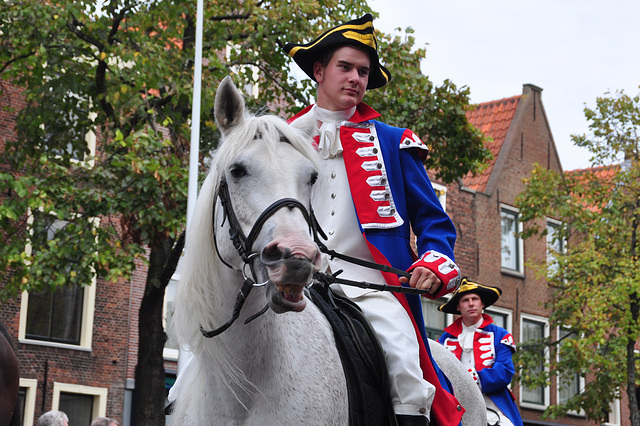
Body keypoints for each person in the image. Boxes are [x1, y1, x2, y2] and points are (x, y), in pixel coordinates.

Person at [283, 14, 462, 426]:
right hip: (294, 277)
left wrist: (434, 264)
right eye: (345, 67)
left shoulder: (393, 142)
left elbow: (434, 222)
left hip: (369, 288)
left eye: (363, 72)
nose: (355, 78)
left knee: (403, 364)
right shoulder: (282, 135)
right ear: (319, 71)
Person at [438, 278, 524, 426]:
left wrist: (475, 378)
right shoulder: (444, 340)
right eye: (465, 300)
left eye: (475, 299)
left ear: (482, 304)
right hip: (455, 401)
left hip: (491, 400)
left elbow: (505, 371)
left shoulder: (500, 335)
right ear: (458, 307)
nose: (471, 303)